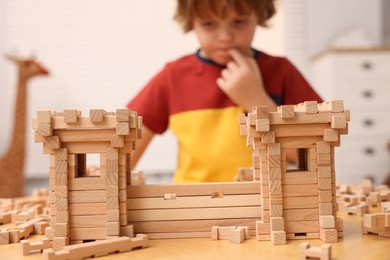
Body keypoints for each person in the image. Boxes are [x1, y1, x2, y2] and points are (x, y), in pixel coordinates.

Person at [127, 0, 322, 183]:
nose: (225, 37)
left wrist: (256, 101)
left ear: (259, 15)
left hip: (265, 205)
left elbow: (311, 155)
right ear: (191, 21)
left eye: (239, 22)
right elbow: (126, 150)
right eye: (209, 24)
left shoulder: (281, 71)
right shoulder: (173, 76)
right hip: (193, 206)